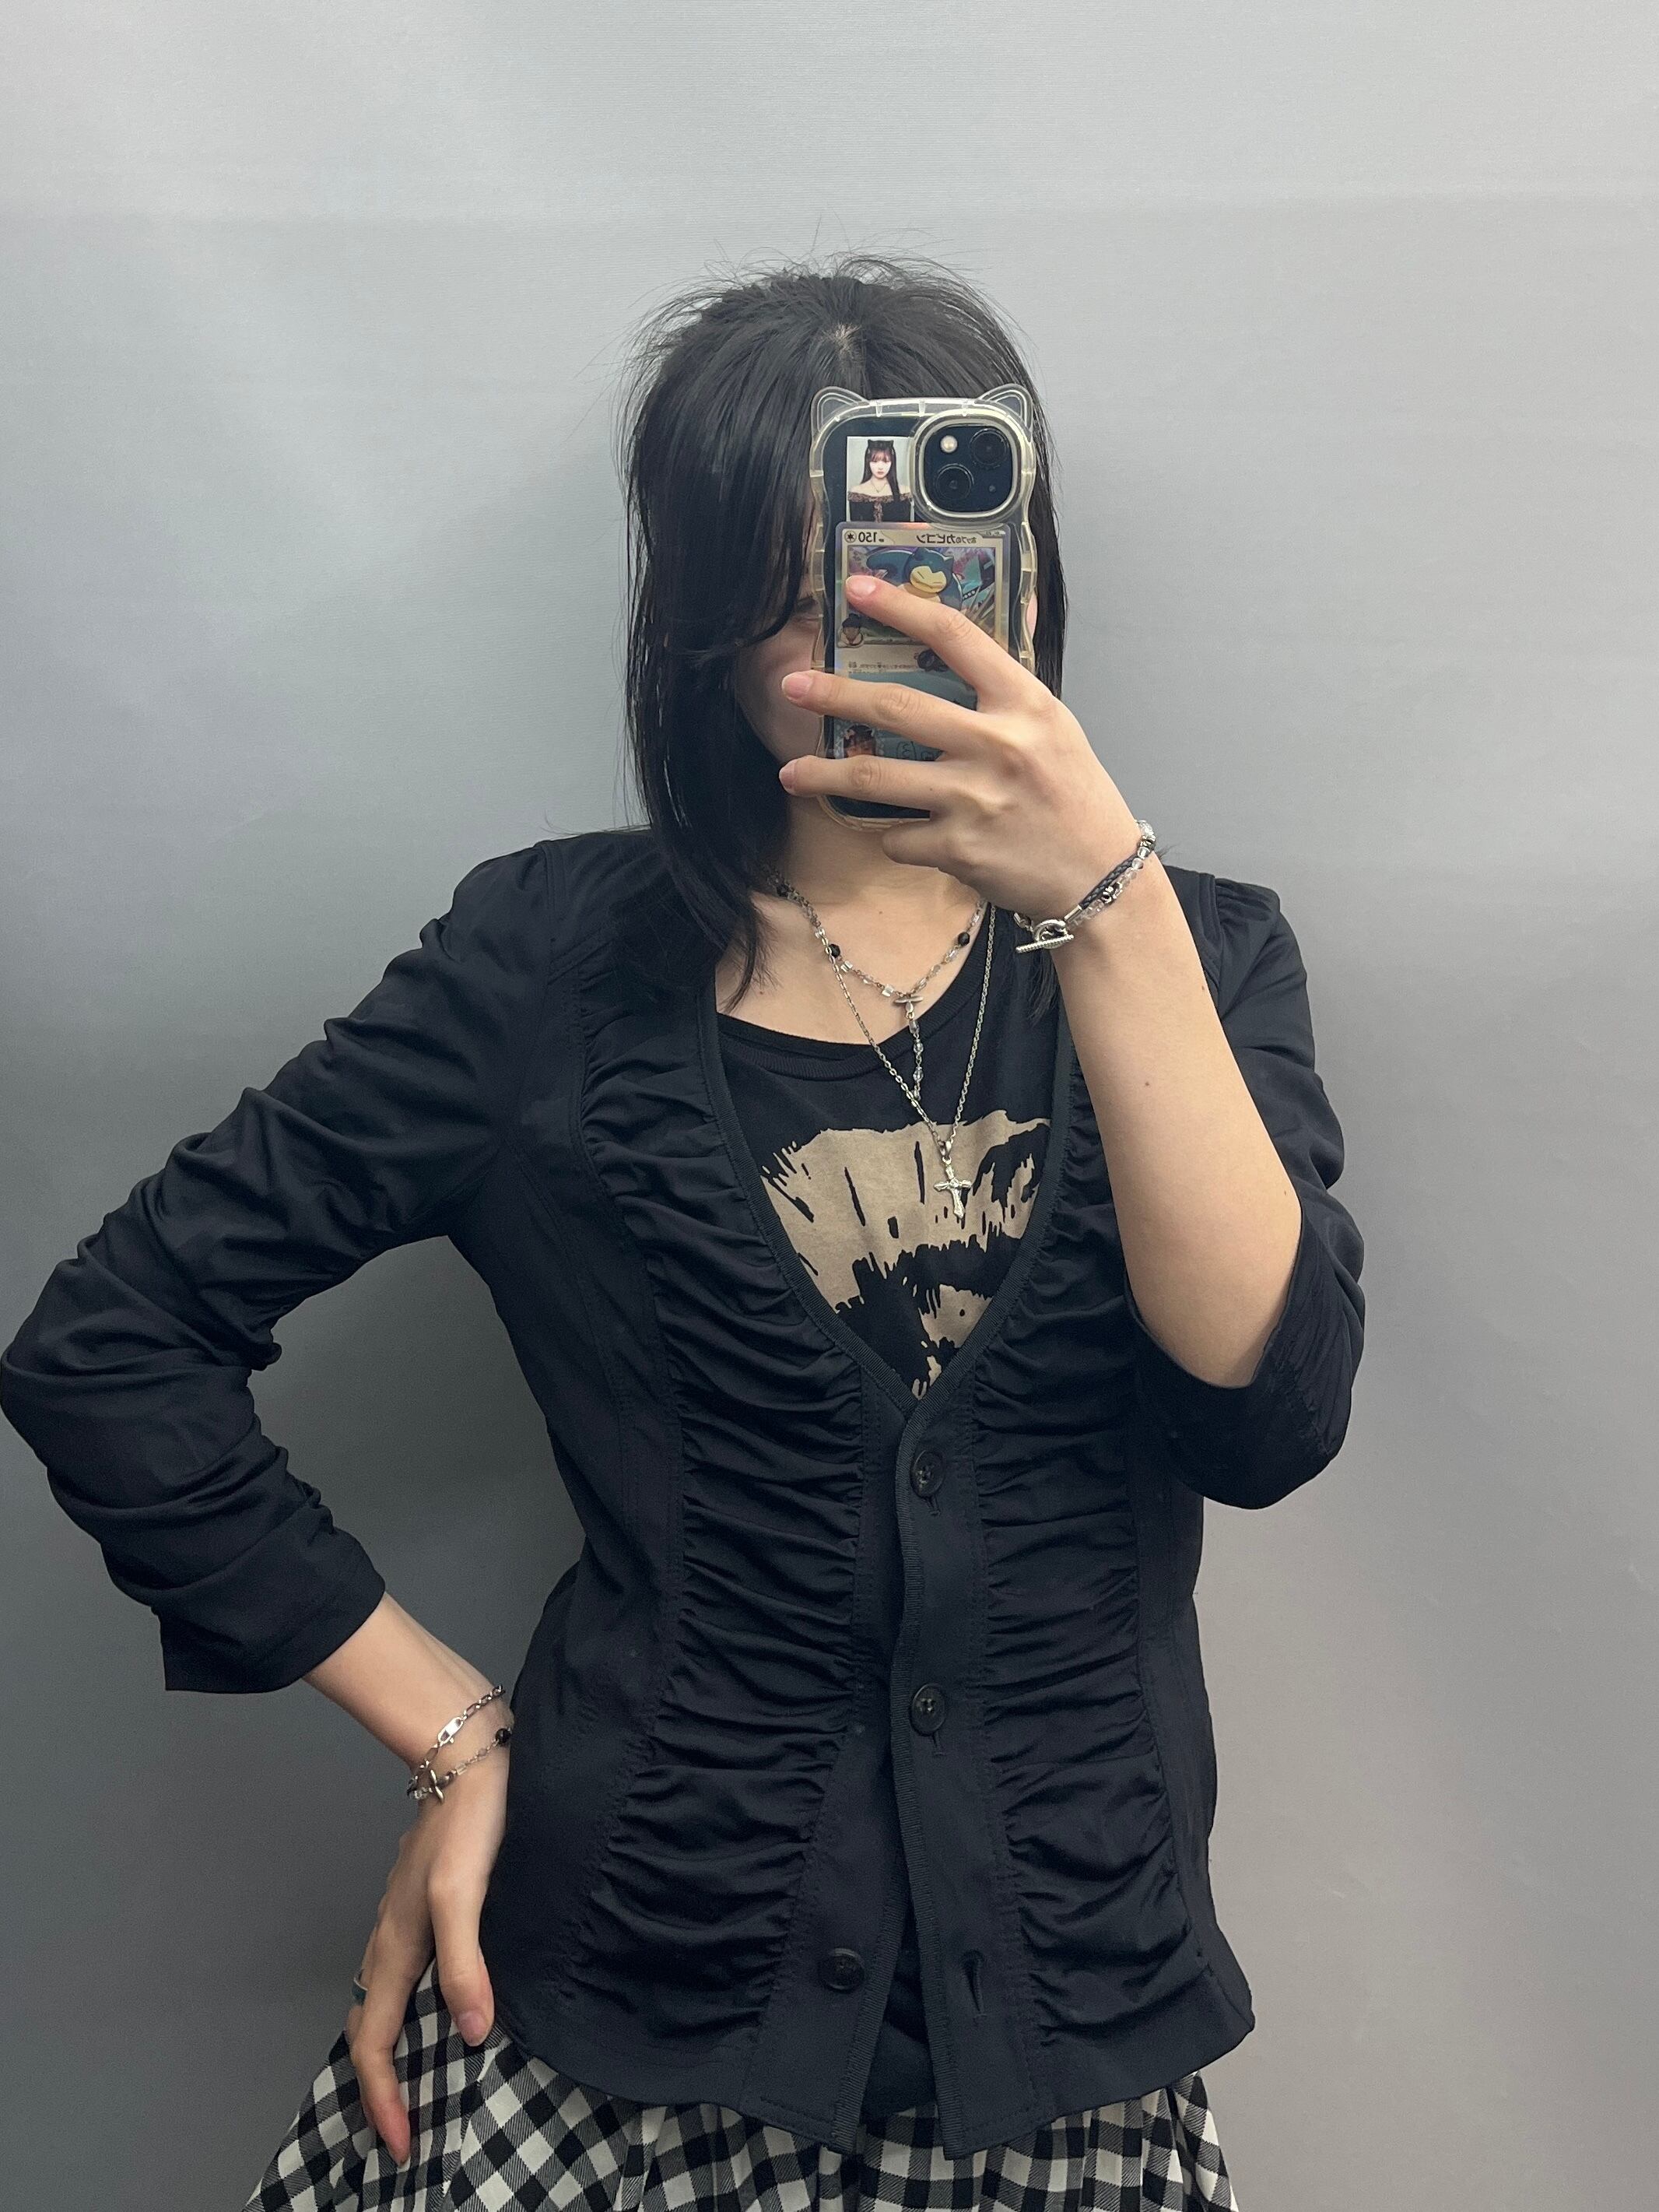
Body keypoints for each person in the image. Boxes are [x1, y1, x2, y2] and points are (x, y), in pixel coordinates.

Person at [0, 251, 1366, 2211]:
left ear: (1026, 570)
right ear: (705, 628)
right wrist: (448, 1731)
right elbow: (112, 1342)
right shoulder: (547, 968)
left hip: (1069, 2043)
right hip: (618, 2030)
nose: (884, 629)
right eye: (813, 588)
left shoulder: (1200, 959)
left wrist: (1107, 902)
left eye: (943, 560)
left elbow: (1269, 1415)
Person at [847, 435, 914, 521]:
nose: (880, 467)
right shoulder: (857, 492)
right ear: (868, 462)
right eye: (875, 461)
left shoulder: (904, 491)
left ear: (892, 463)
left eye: (886, 461)